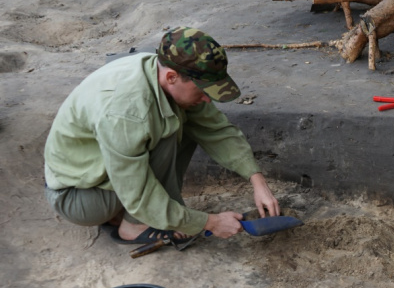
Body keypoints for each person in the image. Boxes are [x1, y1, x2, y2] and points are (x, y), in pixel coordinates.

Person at [44, 27, 280, 245]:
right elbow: (139, 196)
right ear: (171, 78)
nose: (208, 99)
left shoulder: (160, 71)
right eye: (203, 91)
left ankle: (137, 214)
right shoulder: (127, 113)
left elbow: (216, 130)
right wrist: (210, 222)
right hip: (78, 197)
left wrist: (257, 181)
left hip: (102, 175)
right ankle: (134, 226)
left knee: (184, 119)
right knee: (168, 129)